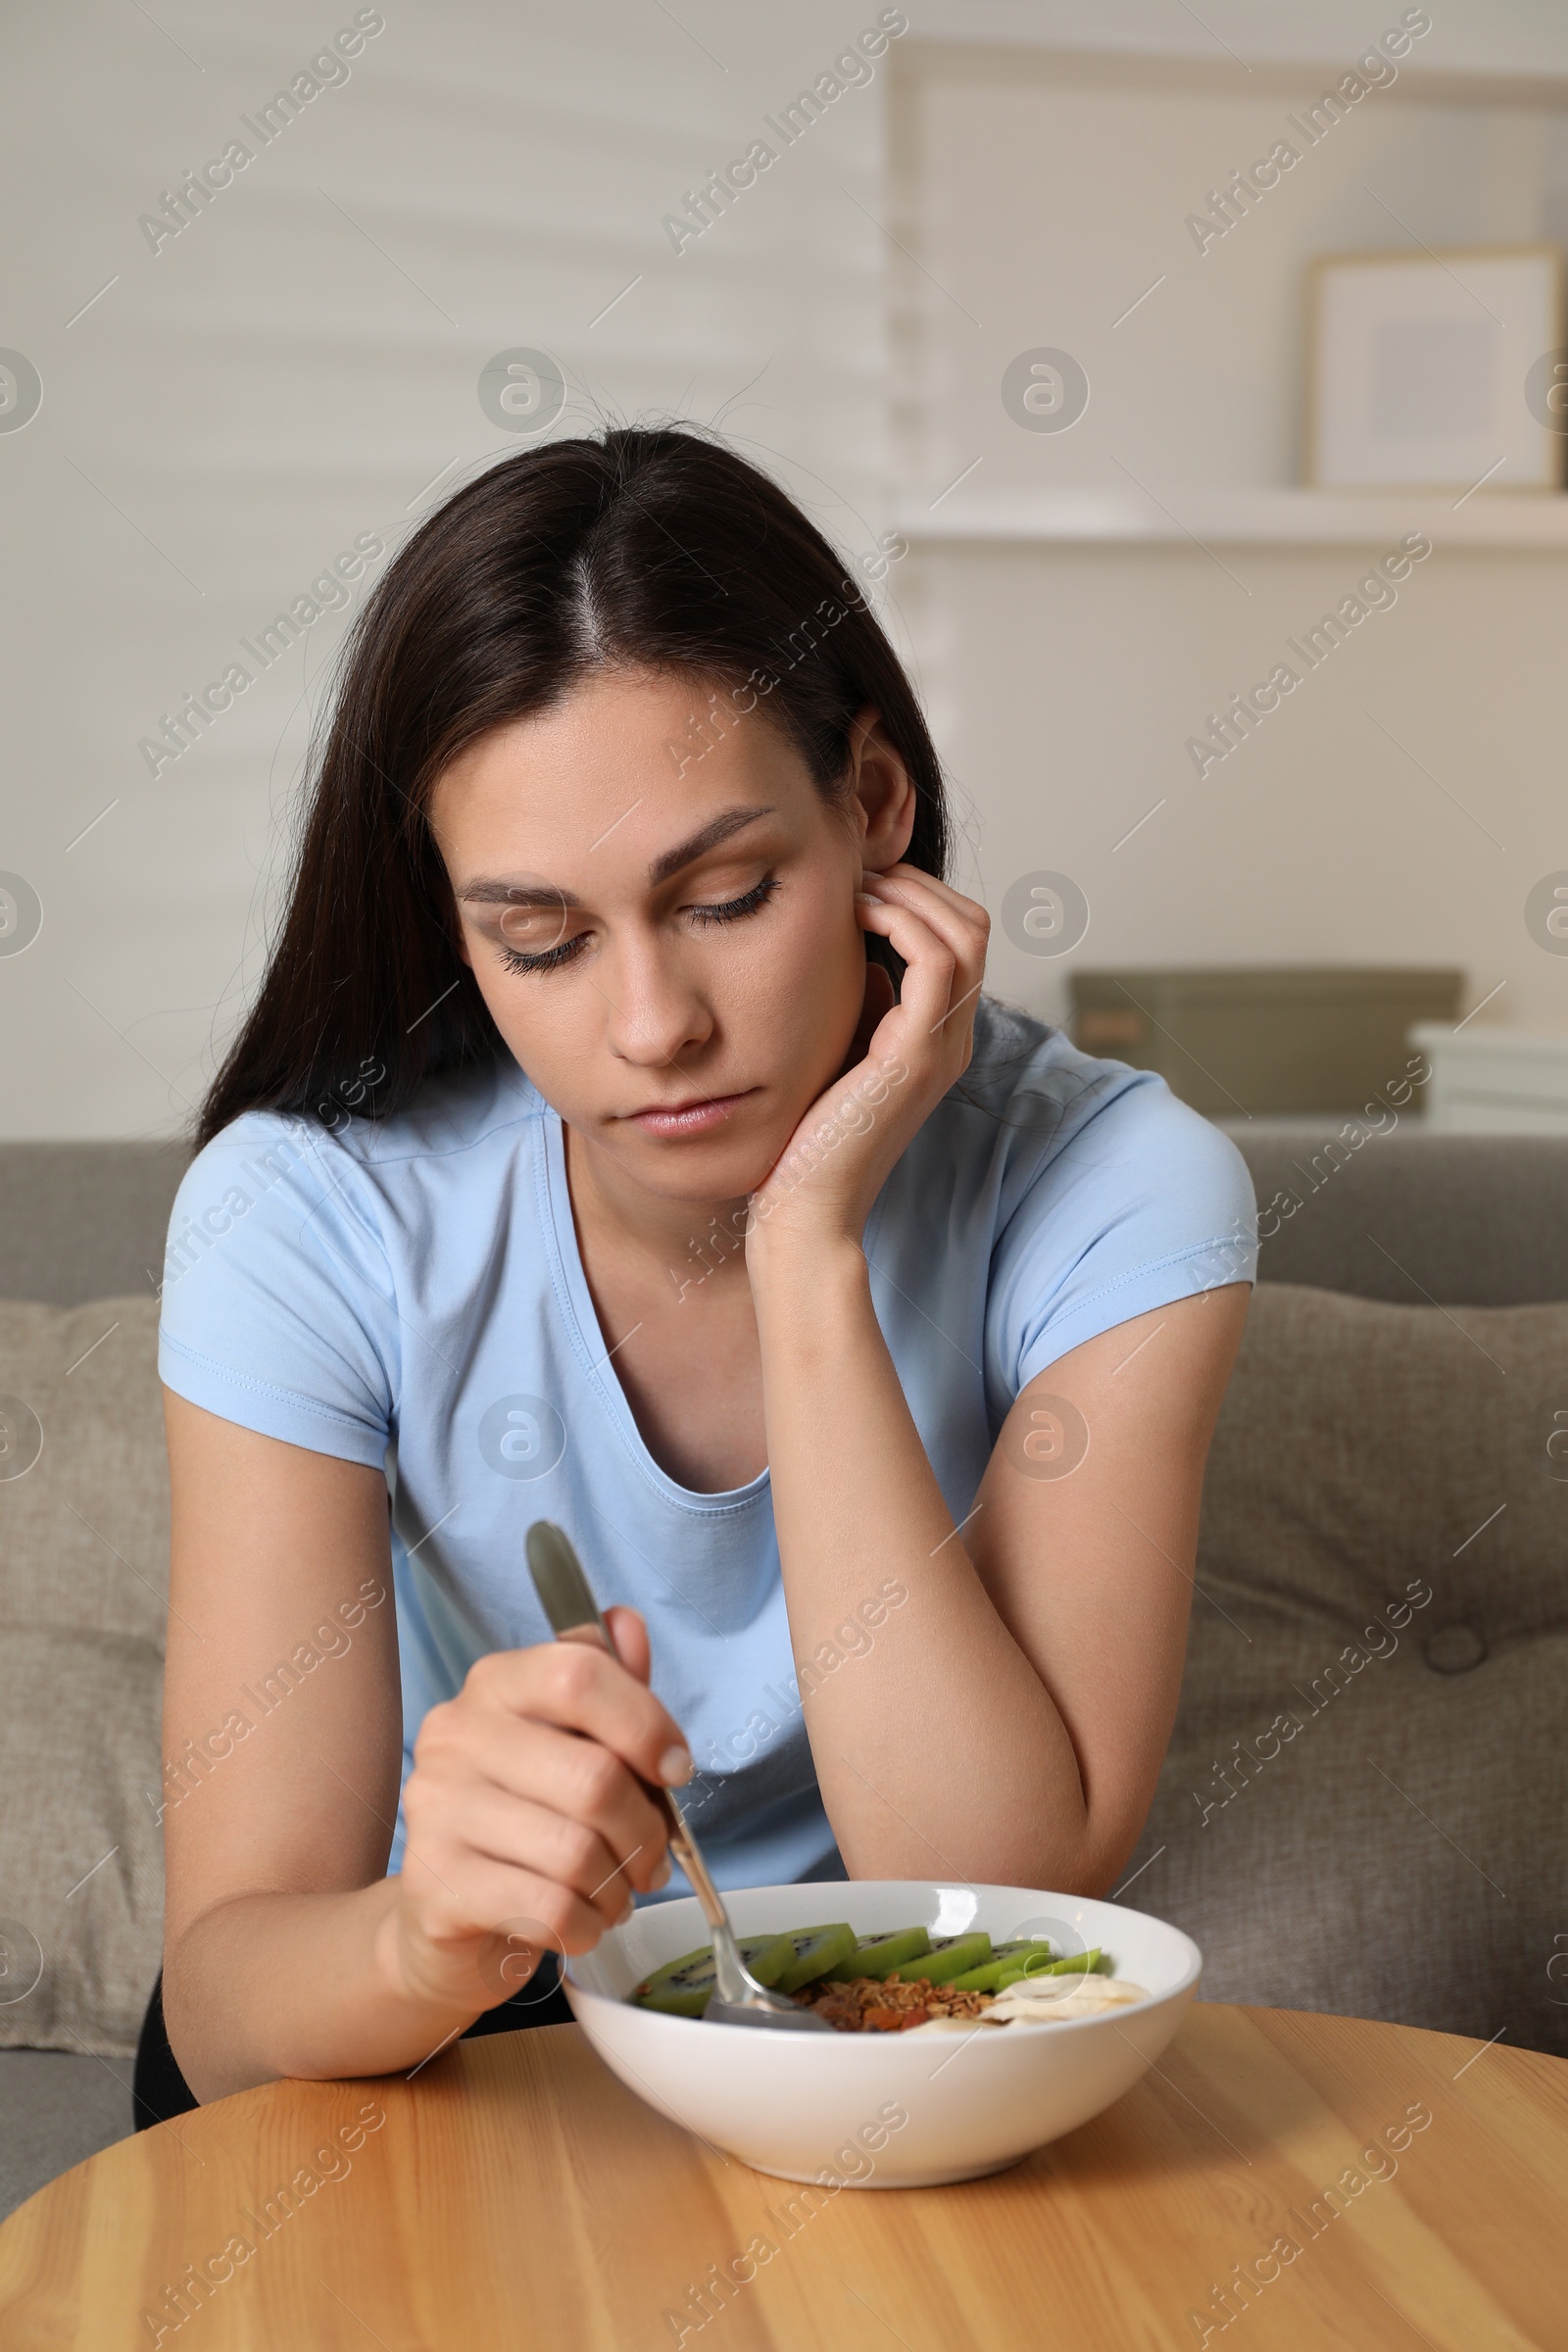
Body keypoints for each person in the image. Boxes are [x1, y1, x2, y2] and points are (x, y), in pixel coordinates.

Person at [142, 423, 1253, 2114]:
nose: (653, 1028)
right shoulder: (307, 1213)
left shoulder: (1115, 1186)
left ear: (873, 809)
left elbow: (1002, 1890)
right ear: (453, 927)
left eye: (728, 895)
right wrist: (431, 1938)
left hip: (866, 2020)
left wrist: (807, 1248)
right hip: (428, 2029)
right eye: (544, 940)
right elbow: (226, 2009)